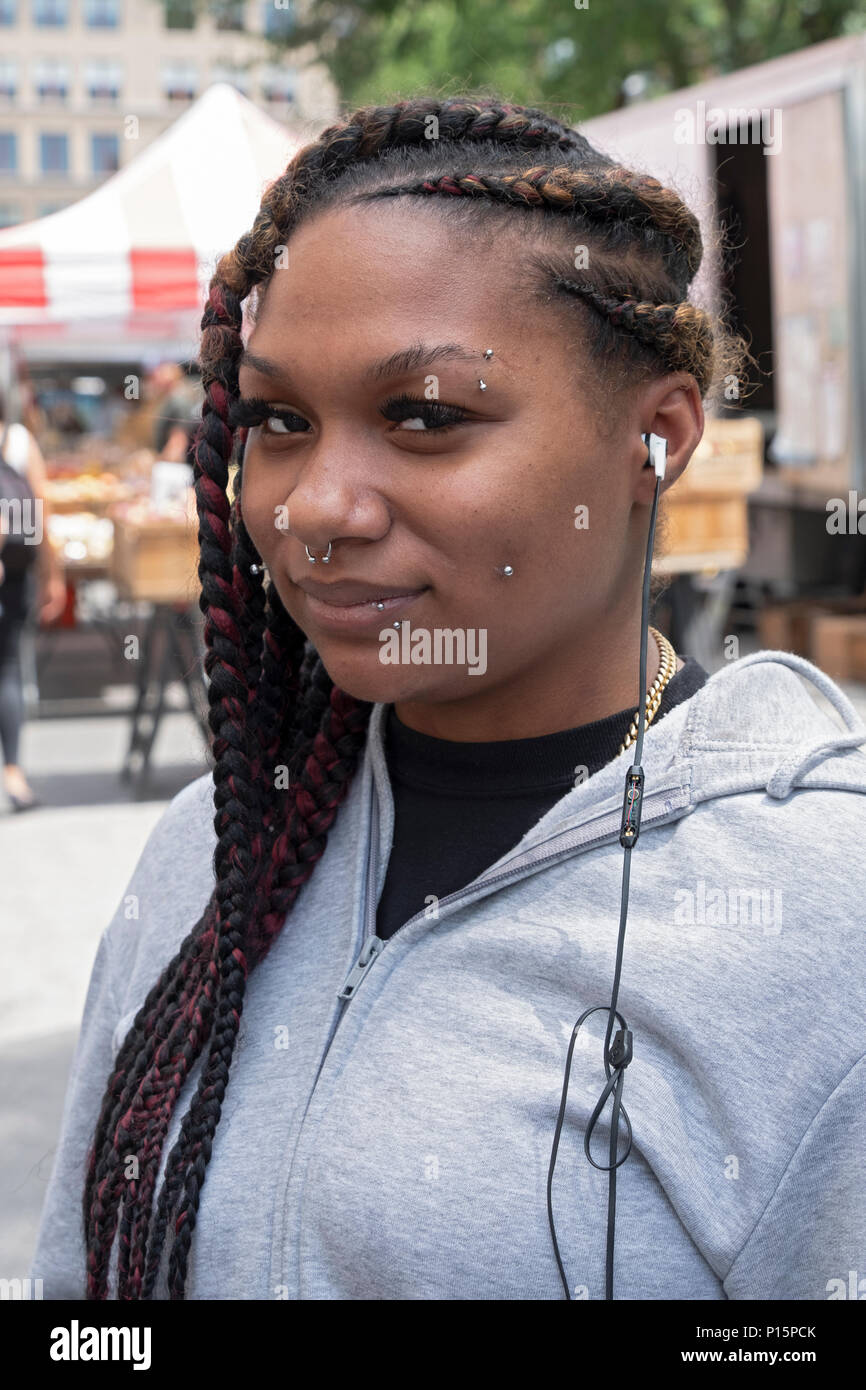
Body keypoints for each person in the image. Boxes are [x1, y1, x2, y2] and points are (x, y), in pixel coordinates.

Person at [30, 96, 866, 1300]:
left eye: (424, 417)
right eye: (279, 419)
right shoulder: (213, 853)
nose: (318, 506)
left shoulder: (818, 913)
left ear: (655, 441)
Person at [0, 393, 66, 811]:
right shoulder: (20, 440)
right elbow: (41, 509)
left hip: (14, 573)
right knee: (6, 667)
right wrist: (52, 573)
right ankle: (14, 773)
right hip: (17, 571)